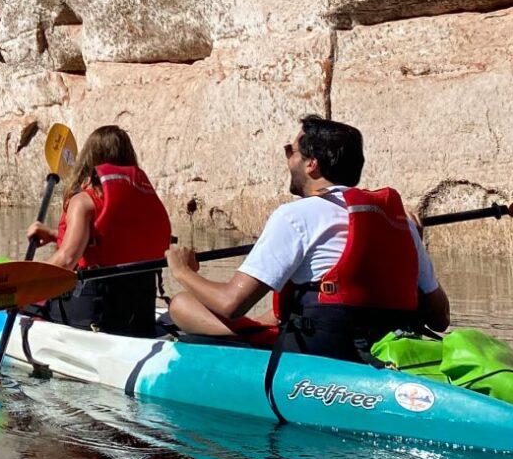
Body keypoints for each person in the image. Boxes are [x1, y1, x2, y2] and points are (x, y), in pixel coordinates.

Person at [163, 115, 449, 360]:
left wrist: (182, 270)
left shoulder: (295, 216)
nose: (288, 158)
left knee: (181, 305)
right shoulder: (402, 226)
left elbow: (231, 304)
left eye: (291, 150)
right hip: (385, 351)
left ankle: (248, 355)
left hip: (321, 353)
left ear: (311, 163)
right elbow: (440, 319)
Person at [23, 125, 173, 337]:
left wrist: (22, 285)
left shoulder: (85, 201)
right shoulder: (143, 199)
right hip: (140, 315)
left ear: (88, 158)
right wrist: (54, 234)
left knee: (29, 303)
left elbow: (66, 260)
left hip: (95, 315)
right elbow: (116, 240)